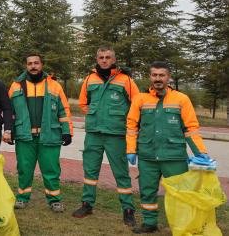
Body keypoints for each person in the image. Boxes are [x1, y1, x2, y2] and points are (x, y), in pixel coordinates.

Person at [126, 61, 211, 234]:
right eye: (154, 75)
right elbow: (132, 126)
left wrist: (200, 152)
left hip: (174, 156)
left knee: (179, 193)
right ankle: (149, 223)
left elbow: (191, 128)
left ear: (168, 77)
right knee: (147, 191)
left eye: (161, 75)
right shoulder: (140, 99)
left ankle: (181, 225)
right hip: (147, 156)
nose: (158, 78)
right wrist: (131, 150)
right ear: (150, 77)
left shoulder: (181, 99)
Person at [72, 47, 138, 225]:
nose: (104, 60)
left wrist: (121, 121)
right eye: (101, 57)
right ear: (97, 58)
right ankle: (87, 204)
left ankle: (128, 209)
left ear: (114, 59)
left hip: (116, 134)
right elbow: (83, 103)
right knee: (90, 171)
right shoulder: (89, 79)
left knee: (121, 173)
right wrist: (95, 115)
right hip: (93, 133)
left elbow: (137, 104)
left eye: (108, 57)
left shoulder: (126, 80)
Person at [8, 53, 73, 212]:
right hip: (25, 137)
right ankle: (22, 198)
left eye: (36, 63)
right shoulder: (16, 86)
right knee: (24, 169)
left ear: (42, 64)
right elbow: (9, 112)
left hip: (49, 136)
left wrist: (67, 131)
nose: (33, 66)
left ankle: (54, 200)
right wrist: (9, 131)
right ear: (26, 65)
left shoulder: (54, 86)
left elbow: (63, 110)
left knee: (51, 169)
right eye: (30, 63)